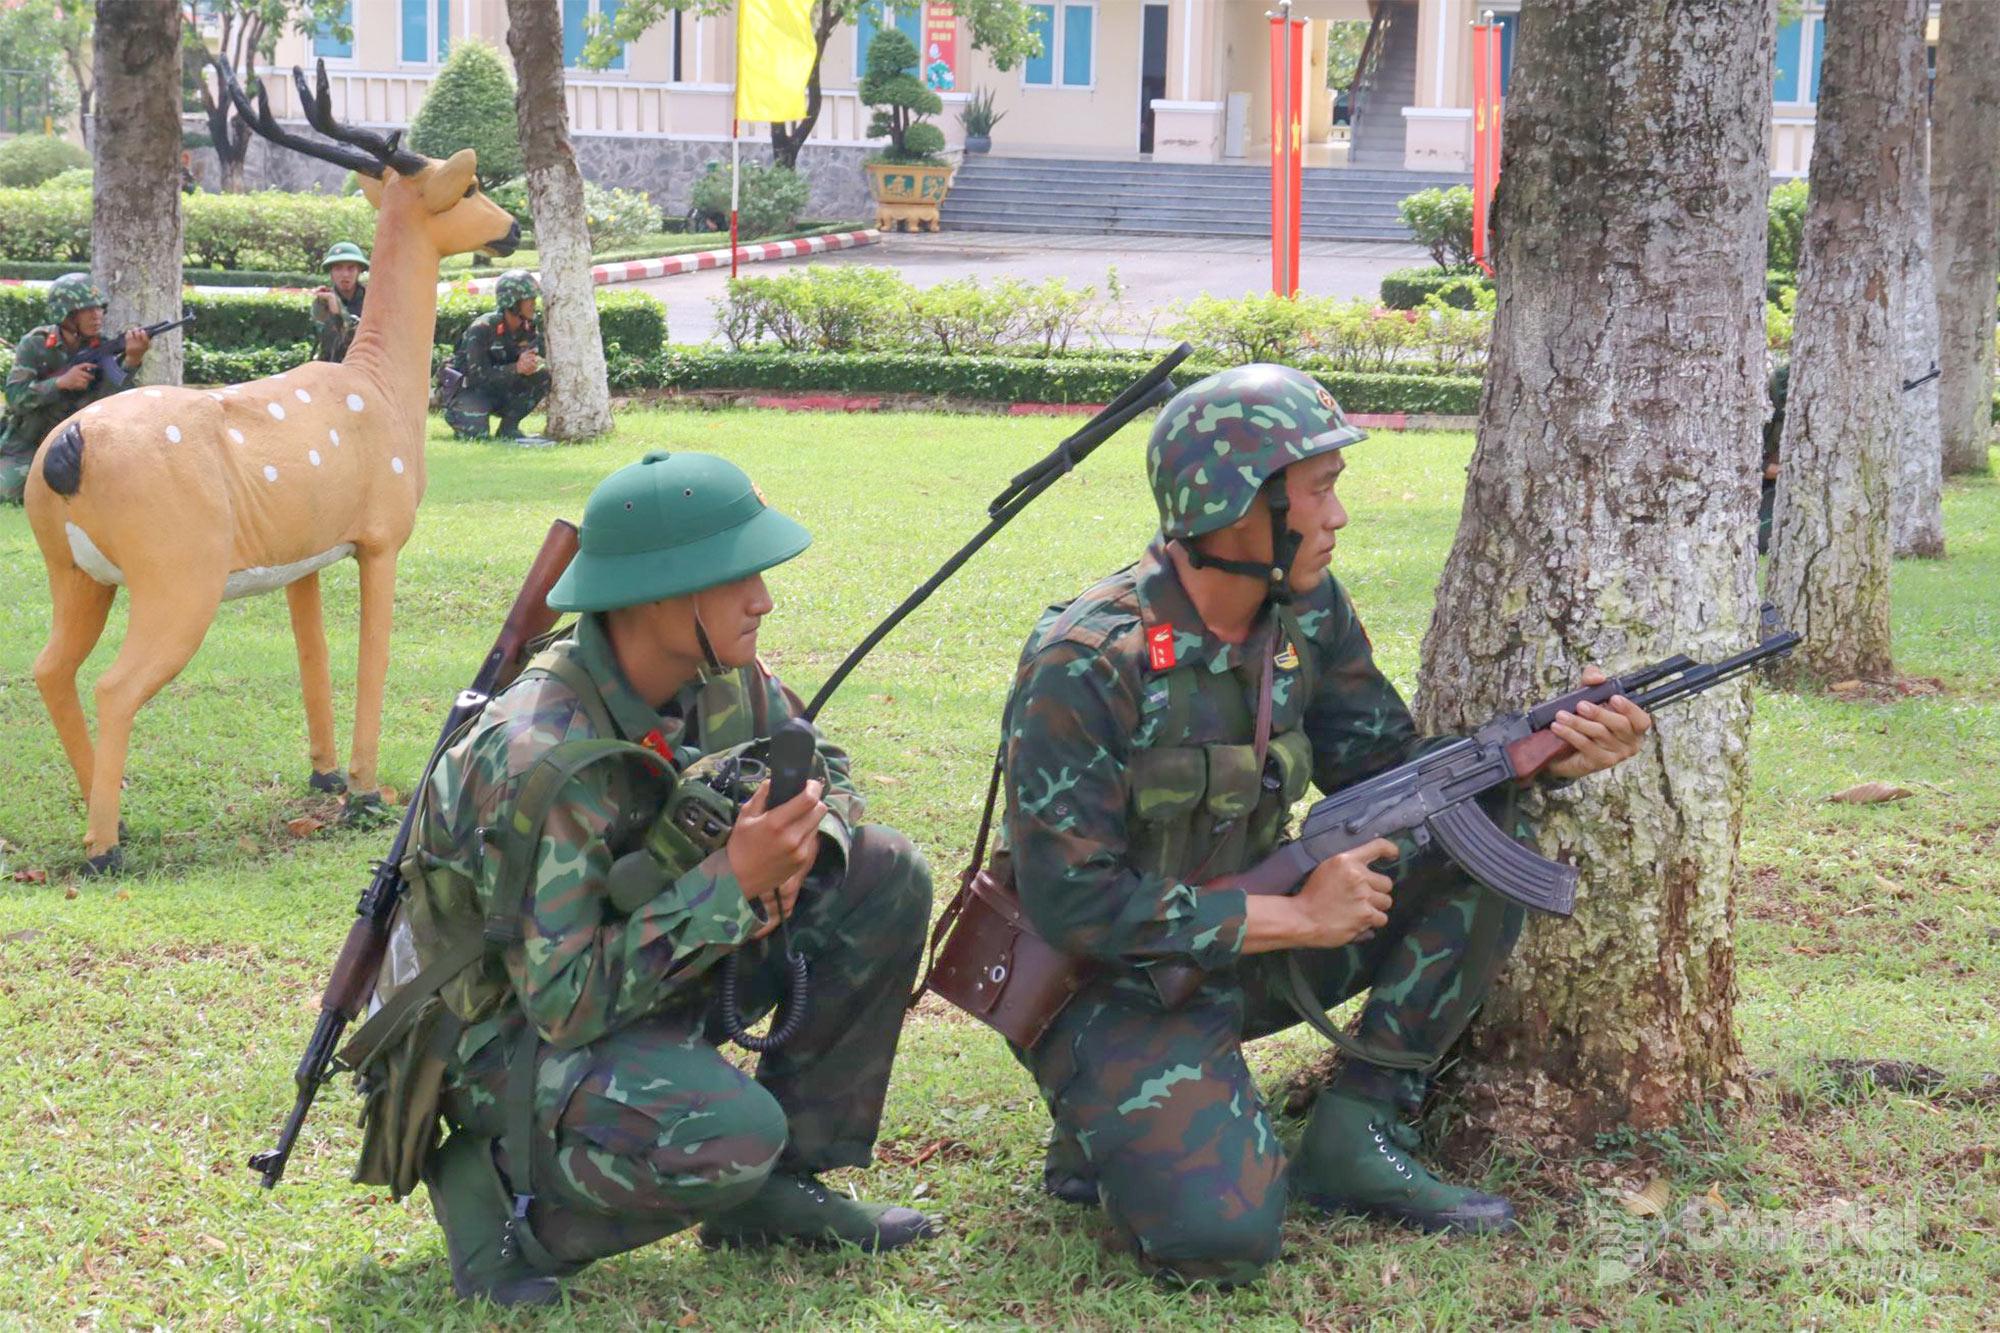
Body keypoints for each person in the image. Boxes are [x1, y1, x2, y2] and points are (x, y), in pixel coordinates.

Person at [1000, 364, 1653, 1285]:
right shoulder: (1089, 660)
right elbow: (1071, 903)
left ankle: (1360, 1127)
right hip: (1104, 984)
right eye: (1320, 492)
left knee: (1471, 816)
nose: (1338, 516)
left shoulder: (1305, 614)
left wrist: (1541, 754)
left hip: (1240, 951)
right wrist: (1300, 919)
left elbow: (1387, 767)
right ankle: (1103, 1118)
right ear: (1239, 506)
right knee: (1220, 1243)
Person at [407, 451, 935, 1306]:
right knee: (728, 1135)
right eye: (737, 576)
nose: (762, 597)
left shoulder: (717, 677)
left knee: (885, 872)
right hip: (510, 1037)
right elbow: (562, 1002)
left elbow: (827, 764)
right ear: (658, 593)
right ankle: (496, 1198)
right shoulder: (544, 756)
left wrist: (804, 844)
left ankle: (778, 1190)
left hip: (643, 966)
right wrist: (731, 881)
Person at [0, 273, 151, 505]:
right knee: (9, 492)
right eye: (87, 309)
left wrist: (131, 361)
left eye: (99, 308)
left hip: (78, 443)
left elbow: (113, 402)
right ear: (66, 314)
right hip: (29, 441)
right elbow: (15, 397)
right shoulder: (35, 344)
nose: (97, 315)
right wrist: (59, 383)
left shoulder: (103, 347)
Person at [444, 268, 550, 443]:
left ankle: (509, 429)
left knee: (543, 377)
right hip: (470, 390)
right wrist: (515, 368)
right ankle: (456, 414)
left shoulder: (528, 328)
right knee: (476, 436)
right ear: (513, 301)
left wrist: (530, 366)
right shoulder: (482, 328)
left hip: (499, 390)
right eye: (529, 298)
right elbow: (477, 377)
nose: (533, 303)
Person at [312, 241, 369, 363]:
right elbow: (330, 341)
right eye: (338, 268)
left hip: (365, 366)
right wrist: (331, 306)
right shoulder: (324, 301)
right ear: (331, 273)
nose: (345, 274)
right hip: (331, 367)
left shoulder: (372, 300)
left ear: (359, 270)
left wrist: (339, 310)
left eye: (351, 268)